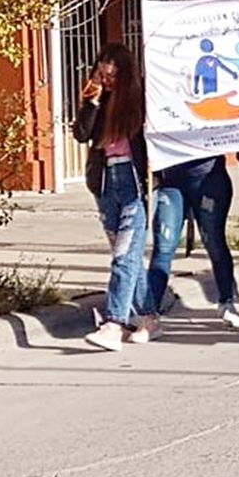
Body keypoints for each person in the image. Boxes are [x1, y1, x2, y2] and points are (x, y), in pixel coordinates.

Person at [75, 45, 150, 352]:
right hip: (106, 183)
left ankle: (114, 323)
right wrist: (90, 101)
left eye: (112, 76)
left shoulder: (140, 99)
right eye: (102, 75)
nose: (106, 82)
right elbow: (81, 134)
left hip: (134, 184)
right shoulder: (98, 100)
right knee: (129, 257)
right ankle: (149, 318)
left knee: (123, 256)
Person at [143, 155, 239, 330]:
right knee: (164, 246)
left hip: (209, 177)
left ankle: (227, 301)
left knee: (214, 241)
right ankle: (150, 311)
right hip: (170, 180)